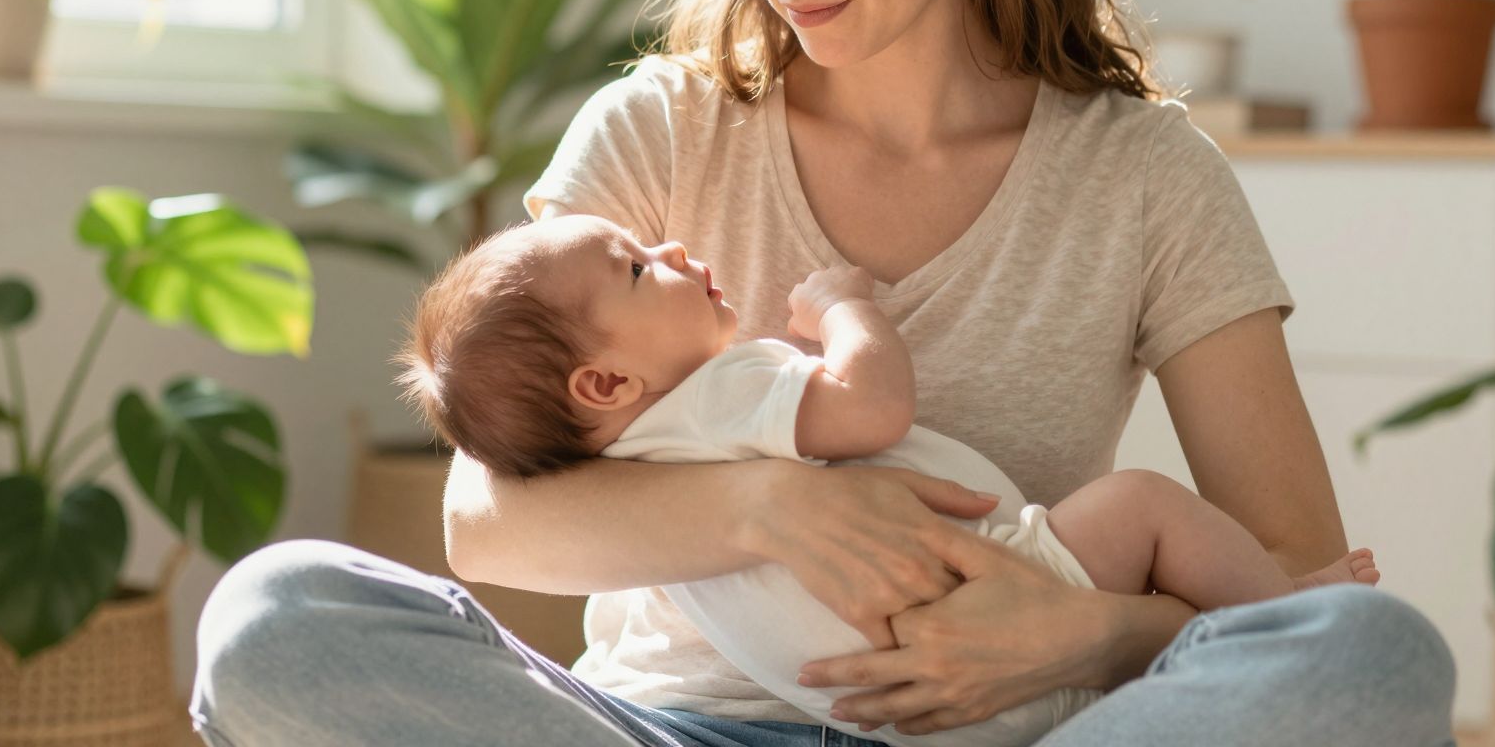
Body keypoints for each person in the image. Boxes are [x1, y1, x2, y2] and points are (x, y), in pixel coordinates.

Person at [190, 0, 1457, 747]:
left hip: (1002, 730)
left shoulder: (1143, 175)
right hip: (663, 727)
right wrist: (766, 507)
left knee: (1375, 659)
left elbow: (1296, 576)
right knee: (275, 618)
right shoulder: (657, 132)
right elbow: (491, 522)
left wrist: (1094, 638)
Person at [390, 213, 1381, 747]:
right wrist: (842, 312)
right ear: (604, 381)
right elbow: (869, 408)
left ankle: (1265, 635)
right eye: (641, 269)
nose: (671, 249)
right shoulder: (720, 393)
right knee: (1149, 512)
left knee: (1379, 658)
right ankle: (1274, 618)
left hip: (917, 708)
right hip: (967, 610)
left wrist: (1104, 634)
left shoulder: (614, 449)